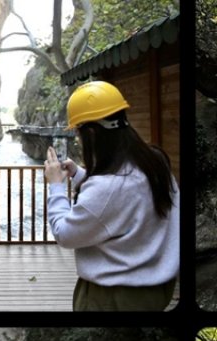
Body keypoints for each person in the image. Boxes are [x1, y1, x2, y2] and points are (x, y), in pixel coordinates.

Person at [44, 80, 180, 311]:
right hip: (157, 289)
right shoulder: (155, 162)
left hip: (114, 296)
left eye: (78, 132)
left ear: (92, 134)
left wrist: (56, 186)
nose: (78, 139)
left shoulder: (108, 188)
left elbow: (65, 234)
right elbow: (119, 198)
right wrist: (78, 174)